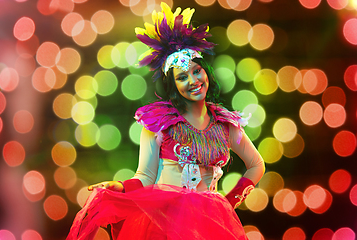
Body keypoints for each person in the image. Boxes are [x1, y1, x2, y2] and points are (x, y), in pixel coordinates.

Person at [66, 3, 265, 240]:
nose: (193, 80)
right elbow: (145, 177)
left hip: (212, 224)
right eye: (182, 77)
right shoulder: (158, 124)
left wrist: (229, 203)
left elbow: (256, 164)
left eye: (196, 71)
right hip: (162, 223)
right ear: (173, 85)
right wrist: (119, 187)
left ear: (206, 72)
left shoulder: (225, 125)